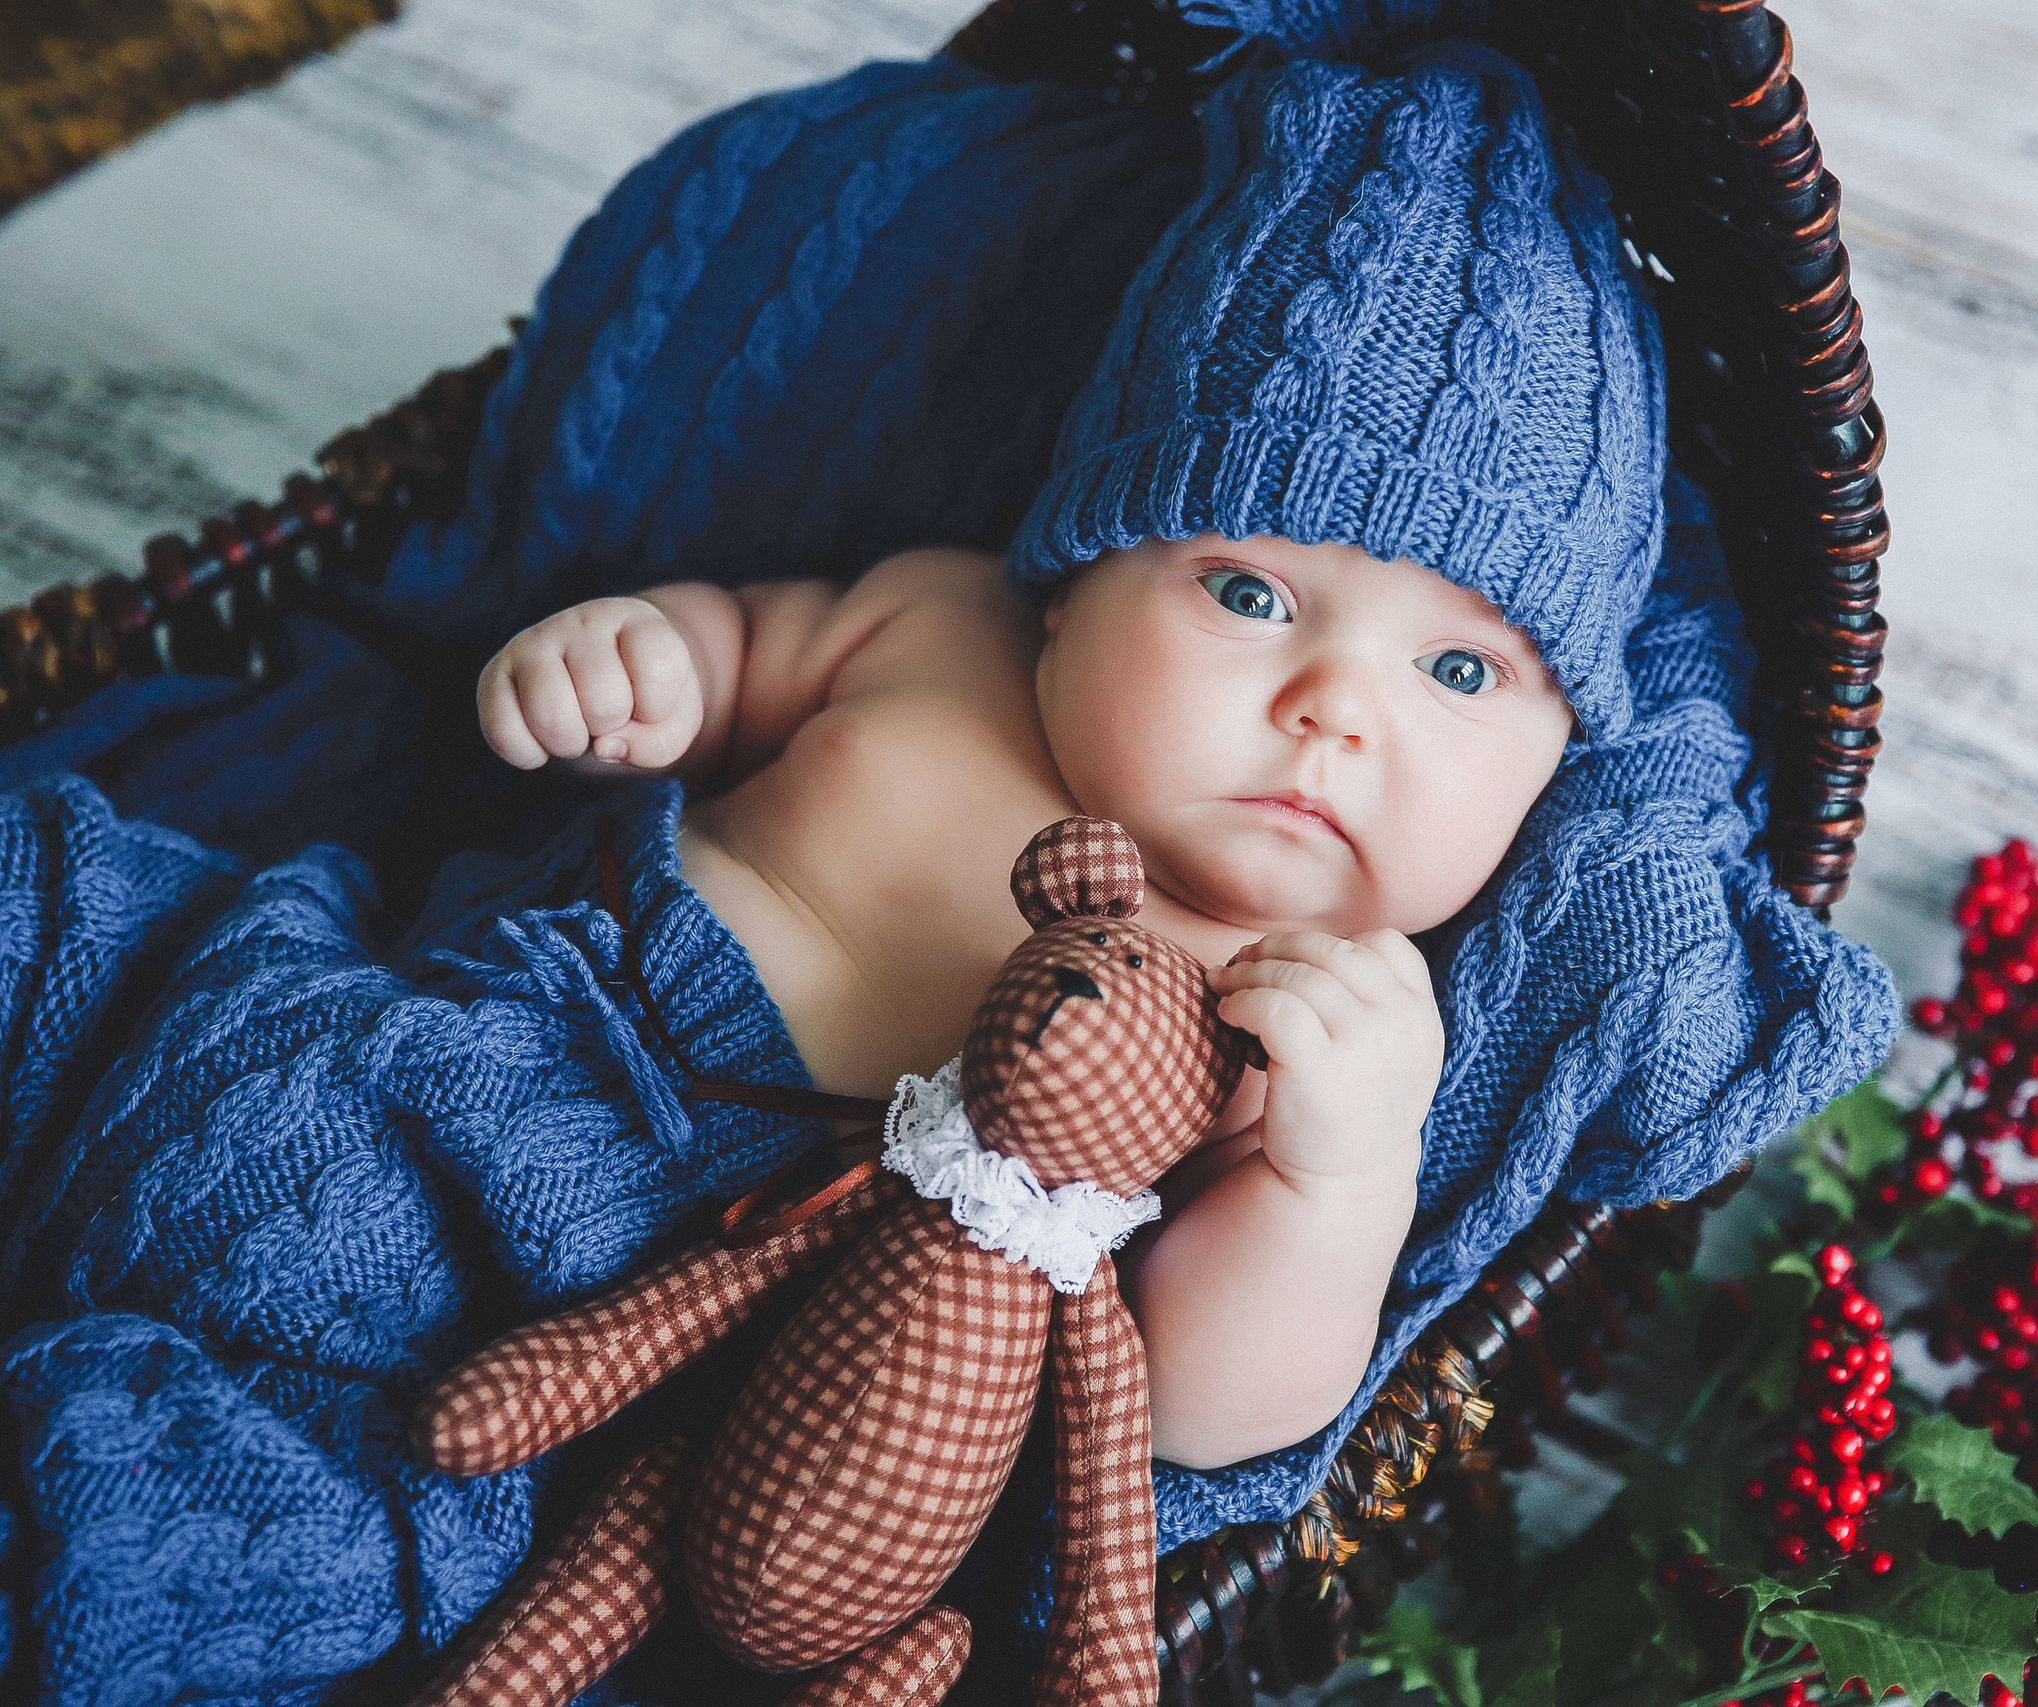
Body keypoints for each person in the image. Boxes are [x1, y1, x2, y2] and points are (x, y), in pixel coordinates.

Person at [470, 28, 1660, 1470]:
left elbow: (1198, 1418)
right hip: (517, 1040)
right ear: (1070, 584)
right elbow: (729, 657)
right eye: (1247, 593)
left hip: (781, 1370)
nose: (1336, 709)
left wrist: (1339, 1182)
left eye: (1460, 671)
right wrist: (639, 668)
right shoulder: (936, 623)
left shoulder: (1303, 1025)